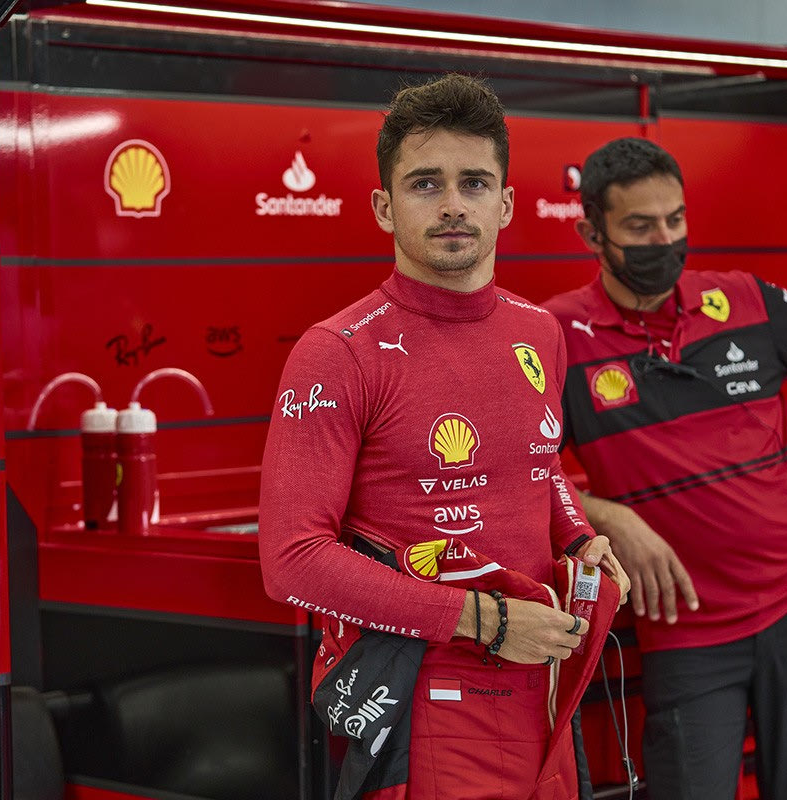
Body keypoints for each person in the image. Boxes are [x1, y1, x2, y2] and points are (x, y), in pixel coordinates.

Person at [258, 74, 628, 800]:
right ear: (384, 207)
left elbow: (539, 460)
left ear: (505, 204)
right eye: (425, 183)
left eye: (474, 183)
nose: (453, 203)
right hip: (427, 697)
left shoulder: (538, 331)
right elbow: (292, 562)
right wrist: (484, 621)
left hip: (544, 674)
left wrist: (580, 536)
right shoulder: (337, 351)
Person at [543, 136, 787, 800]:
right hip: (688, 629)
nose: (665, 240)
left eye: (675, 220)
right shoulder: (557, 335)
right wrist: (607, 515)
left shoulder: (743, 298)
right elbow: (521, 468)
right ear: (592, 233)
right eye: (641, 227)